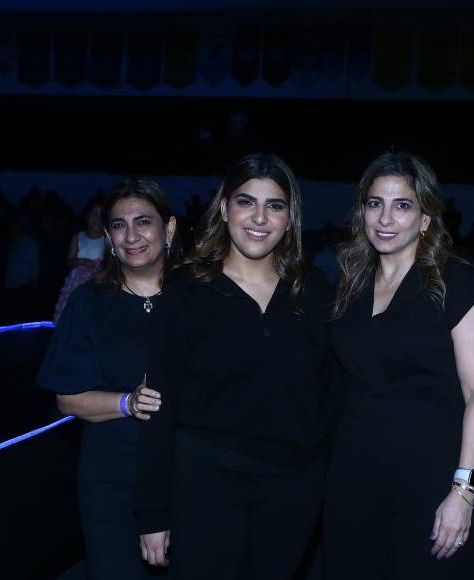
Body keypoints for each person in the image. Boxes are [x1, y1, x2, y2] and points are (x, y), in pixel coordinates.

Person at [134, 153, 334, 580]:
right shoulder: (186, 290)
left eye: (275, 205)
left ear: (289, 217)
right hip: (205, 481)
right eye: (247, 202)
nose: (259, 217)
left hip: (293, 487)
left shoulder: (313, 290)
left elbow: (329, 392)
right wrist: (151, 512)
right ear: (225, 209)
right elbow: (158, 405)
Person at [322, 151, 474, 579]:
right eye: (374, 203)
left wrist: (464, 492)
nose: (385, 217)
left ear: (425, 219)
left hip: (431, 476)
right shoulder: (351, 283)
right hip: (355, 472)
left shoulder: (457, 282)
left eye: (402, 205)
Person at [39, 178, 178, 579]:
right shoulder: (90, 302)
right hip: (112, 474)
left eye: (143, 222)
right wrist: (127, 403)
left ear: (168, 228)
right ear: (108, 235)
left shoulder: (195, 298)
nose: (131, 236)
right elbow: (67, 398)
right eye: (119, 225)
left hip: (187, 471)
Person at [53, 203, 107, 322]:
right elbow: (69, 262)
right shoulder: (78, 237)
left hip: (98, 283)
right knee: (75, 316)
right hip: (77, 284)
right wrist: (82, 261)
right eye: (94, 215)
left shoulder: (107, 239)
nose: (97, 219)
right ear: (87, 216)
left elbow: (111, 263)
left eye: (101, 216)